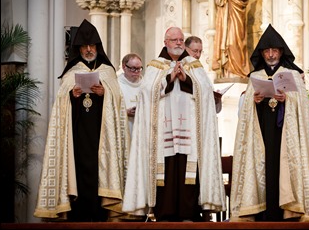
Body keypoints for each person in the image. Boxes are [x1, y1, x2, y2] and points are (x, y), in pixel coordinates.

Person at [230, 24, 309, 222]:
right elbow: (246, 113)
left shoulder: (293, 75)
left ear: (281, 52)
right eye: (267, 51)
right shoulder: (255, 76)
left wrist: (287, 101)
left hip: (286, 138)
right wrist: (254, 102)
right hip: (262, 134)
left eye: (274, 50)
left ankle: (289, 212)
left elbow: (302, 110)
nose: (271, 55)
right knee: (265, 170)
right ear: (261, 53)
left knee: (284, 170)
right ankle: (262, 213)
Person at [122, 27, 226, 222]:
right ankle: (164, 214)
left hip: (189, 133)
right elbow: (145, 93)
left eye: (180, 39)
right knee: (166, 172)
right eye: (174, 40)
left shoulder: (193, 66)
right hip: (163, 133)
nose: (178, 43)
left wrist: (186, 80)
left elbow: (205, 91)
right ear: (165, 42)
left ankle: (189, 213)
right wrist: (169, 79)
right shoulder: (155, 66)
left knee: (189, 170)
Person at [34, 19, 130, 222]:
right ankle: (77, 216)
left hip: (101, 137)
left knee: (98, 173)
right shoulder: (71, 71)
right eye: (84, 46)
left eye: (92, 45)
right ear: (78, 48)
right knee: (77, 172)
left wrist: (105, 93)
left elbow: (118, 101)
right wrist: (72, 95)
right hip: (77, 138)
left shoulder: (107, 71)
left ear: (97, 46)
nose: (88, 49)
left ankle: (102, 214)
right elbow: (61, 103)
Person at [212, 0, 250, 78]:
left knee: (235, 43)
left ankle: (238, 72)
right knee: (226, 43)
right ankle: (227, 73)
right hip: (224, 19)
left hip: (236, 16)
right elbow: (216, 0)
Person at [185, 35, 222, 114]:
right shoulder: (181, 67)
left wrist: (214, 96)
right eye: (195, 51)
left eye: (200, 51)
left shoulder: (199, 68)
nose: (198, 55)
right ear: (186, 49)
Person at [118, 53, 144, 135]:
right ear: (124, 67)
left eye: (139, 69)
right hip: (124, 129)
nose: (136, 72)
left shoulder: (146, 85)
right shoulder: (116, 85)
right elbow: (109, 111)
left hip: (142, 128)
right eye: (133, 69)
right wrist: (124, 112)